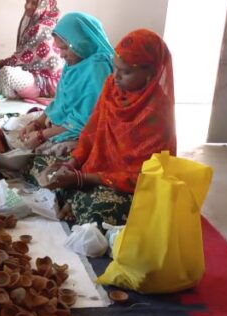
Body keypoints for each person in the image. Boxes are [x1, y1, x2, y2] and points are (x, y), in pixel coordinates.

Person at [43, 29, 176, 227]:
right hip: (98, 169)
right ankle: (75, 200)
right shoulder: (112, 87)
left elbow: (143, 176)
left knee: (100, 210)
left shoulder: (157, 112)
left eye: (126, 72)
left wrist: (83, 179)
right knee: (47, 168)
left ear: (150, 73)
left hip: (128, 186)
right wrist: (72, 163)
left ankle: (77, 202)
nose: (116, 76)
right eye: (115, 68)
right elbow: (91, 132)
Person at [20, 12, 114, 155]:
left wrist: (42, 135)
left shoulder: (97, 68)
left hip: (87, 130)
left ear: (81, 42)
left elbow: (87, 123)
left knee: (51, 154)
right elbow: (60, 102)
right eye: (60, 48)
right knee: (20, 132)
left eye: (65, 48)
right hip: (66, 124)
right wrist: (37, 123)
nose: (61, 55)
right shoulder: (74, 62)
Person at [0, 0, 63, 100]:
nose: (27, 6)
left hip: (47, 83)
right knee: (1, 72)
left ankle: (11, 103)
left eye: (34, 3)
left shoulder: (43, 28)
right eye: (27, 1)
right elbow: (24, 57)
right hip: (43, 78)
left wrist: (0, 64)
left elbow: (22, 60)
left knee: (5, 74)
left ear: (44, 5)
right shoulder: (43, 23)